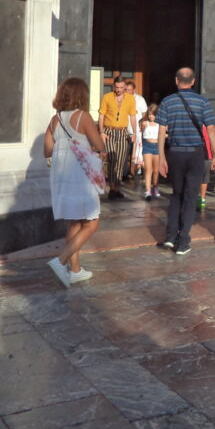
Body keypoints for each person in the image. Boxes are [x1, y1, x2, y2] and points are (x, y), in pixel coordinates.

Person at [43, 77, 107, 288]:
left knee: (74, 221)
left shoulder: (55, 119)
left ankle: (76, 271)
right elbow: (98, 144)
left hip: (62, 176)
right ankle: (60, 261)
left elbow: (47, 150)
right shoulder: (83, 116)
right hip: (80, 175)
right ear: (82, 95)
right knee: (91, 222)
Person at [156, 68, 215, 255]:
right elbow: (211, 130)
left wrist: (161, 157)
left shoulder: (167, 102)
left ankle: (170, 236)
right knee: (191, 197)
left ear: (176, 81)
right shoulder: (203, 102)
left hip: (175, 153)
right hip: (195, 154)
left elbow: (161, 132)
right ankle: (183, 240)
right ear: (193, 82)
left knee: (176, 194)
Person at [98, 76, 137, 199]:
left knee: (120, 161)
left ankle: (117, 188)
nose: (119, 89)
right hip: (109, 130)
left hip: (122, 132)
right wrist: (101, 132)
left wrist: (134, 133)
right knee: (112, 159)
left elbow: (132, 117)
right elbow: (101, 115)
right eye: (117, 87)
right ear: (114, 86)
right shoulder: (107, 97)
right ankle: (112, 188)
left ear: (125, 87)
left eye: (121, 87)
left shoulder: (130, 99)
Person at [126, 80, 148, 181]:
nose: (127, 91)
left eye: (129, 90)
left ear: (134, 90)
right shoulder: (123, 98)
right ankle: (124, 173)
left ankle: (133, 172)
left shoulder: (140, 99)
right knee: (125, 152)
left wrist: (140, 125)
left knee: (135, 153)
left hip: (137, 130)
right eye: (126, 89)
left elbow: (144, 113)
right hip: (125, 129)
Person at [141, 104, 161, 200]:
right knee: (148, 169)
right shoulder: (145, 123)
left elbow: (163, 134)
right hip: (147, 146)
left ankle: (155, 187)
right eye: (149, 114)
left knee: (156, 170)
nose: (151, 116)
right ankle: (148, 190)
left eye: (153, 115)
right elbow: (142, 133)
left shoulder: (160, 124)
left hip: (156, 146)